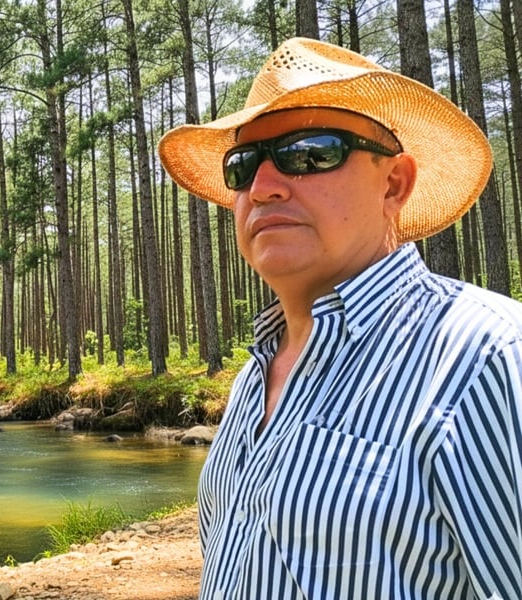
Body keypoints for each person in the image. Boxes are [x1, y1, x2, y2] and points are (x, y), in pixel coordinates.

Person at [158, 37, 522, 599]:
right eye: (243, 164)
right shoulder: (258, 375)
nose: (263, 187)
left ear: (395, 183)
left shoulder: (489, 361)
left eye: (310, 152)